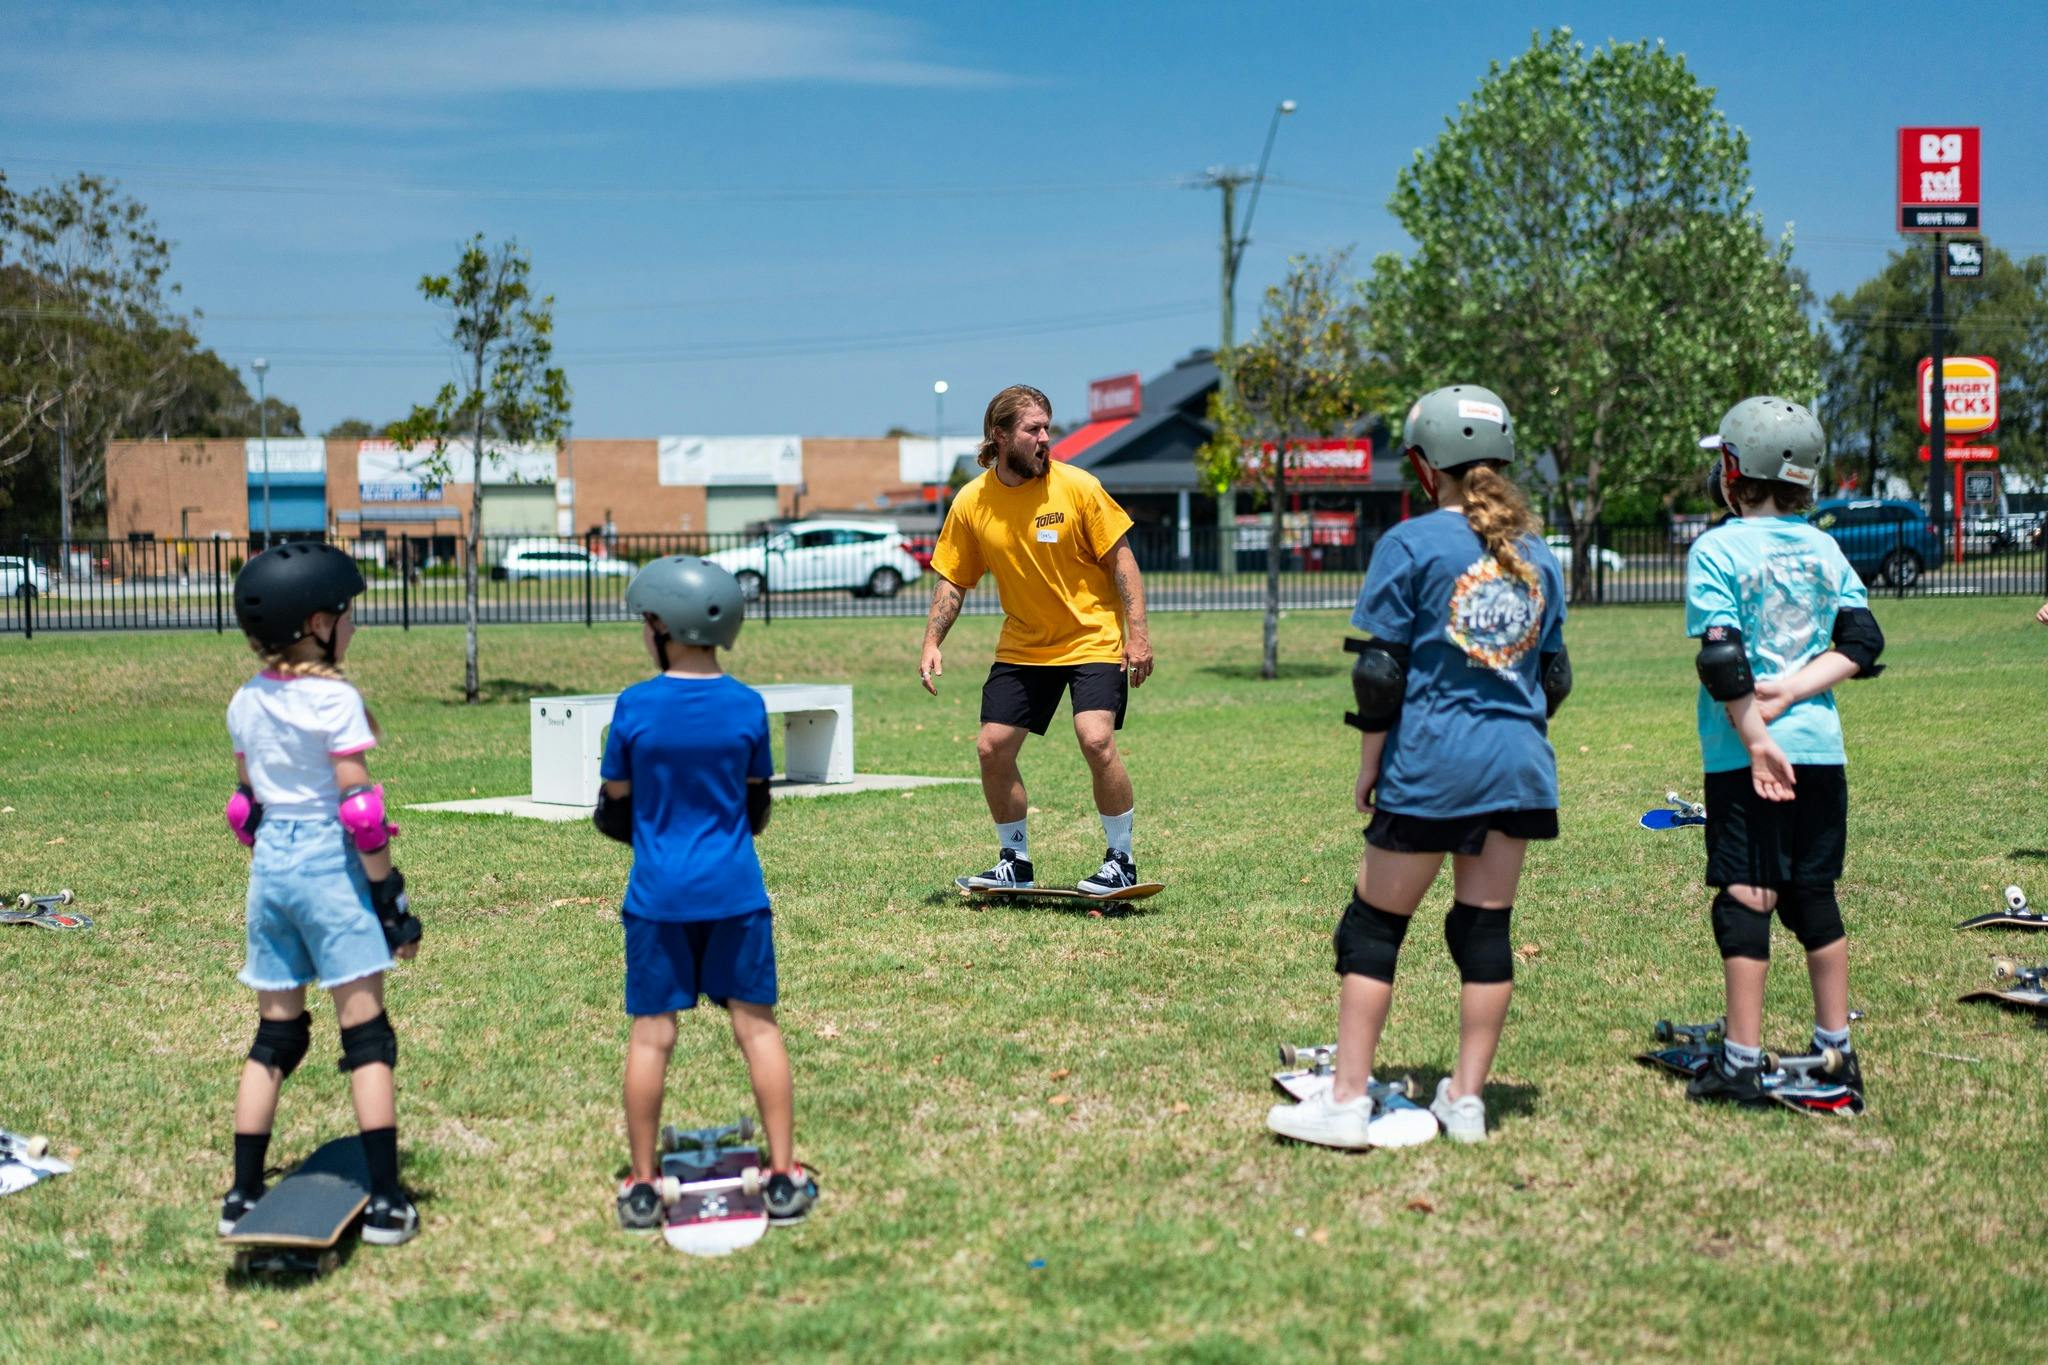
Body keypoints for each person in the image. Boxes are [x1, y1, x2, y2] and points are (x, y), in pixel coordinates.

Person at [1267, 385, 1569, 1150]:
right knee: (1483, 930)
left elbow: (1379, 674)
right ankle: (1466, 1099)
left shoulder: (1409, 543)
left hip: (1434, 760)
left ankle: (1342, 1102)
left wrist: (1371, 763)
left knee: (1373, 927)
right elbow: (1554, 678)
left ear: (1420, 466)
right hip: (1520, 766)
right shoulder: (1539, 554)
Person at [597, 555, 817, 1230]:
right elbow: (756, 807)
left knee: (651, 1036)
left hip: (658, 895)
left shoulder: (634, 706)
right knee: (757, 1028)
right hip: (736, 893)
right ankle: (782, 1173)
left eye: (646, 620)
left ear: (665, 626)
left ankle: (641, 1181)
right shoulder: (747, 706)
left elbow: (613, 809)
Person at [1683, 397, 1884, 1105]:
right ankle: (1837, 1050)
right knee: (1813, 895)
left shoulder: (1716, 547)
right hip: (1822, 750)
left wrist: (1759, 733)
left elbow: (1722, 656)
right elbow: (1863, 644)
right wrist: (1798, 691)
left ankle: (1741, 1058)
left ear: (1734, 473)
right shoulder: (1826, 548)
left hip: (1748, 755)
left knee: (1745, 898)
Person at [221, 543, 424, 1243]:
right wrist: (390, 898)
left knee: (276, 1034)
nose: (354, 625)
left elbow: (244, 805)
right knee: (367, 1036)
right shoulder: (334, 698)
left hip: (270, 869)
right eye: (346, 613)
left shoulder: (245, 699)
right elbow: (361, 808)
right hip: (328, 870)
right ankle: (390, 1203)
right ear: (315, 623)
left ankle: (242, 1192)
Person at [918, 384, 1154, 894]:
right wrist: (932, 640)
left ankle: (1121, 860)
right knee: (991, 748)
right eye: (1033, 429)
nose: (1046, 438)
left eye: (1048, 427)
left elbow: (1123, 561)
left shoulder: (1078, 487)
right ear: (1000, 436)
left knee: (1096, 739)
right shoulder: (972, 501)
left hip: (1091, 637)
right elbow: (953, 578)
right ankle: (1014, 860)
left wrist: (1138, 636)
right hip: (1024, 646)